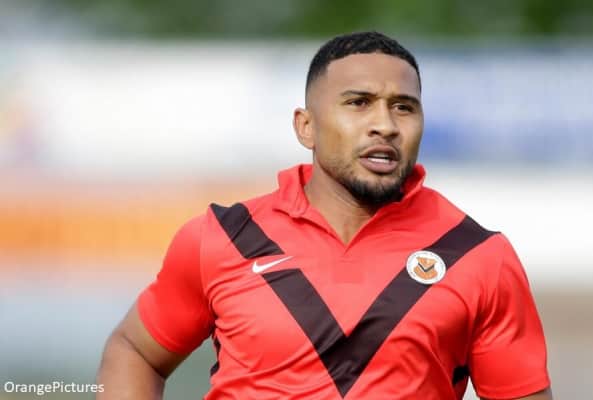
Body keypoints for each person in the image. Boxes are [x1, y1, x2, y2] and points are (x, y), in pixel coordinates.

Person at [96, 31, 552, 400]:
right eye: (358, 102)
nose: (385, 125)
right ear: (306, 126)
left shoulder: (476, 255)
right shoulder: (224, 238)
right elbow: (134, 351)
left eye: (403, 107)